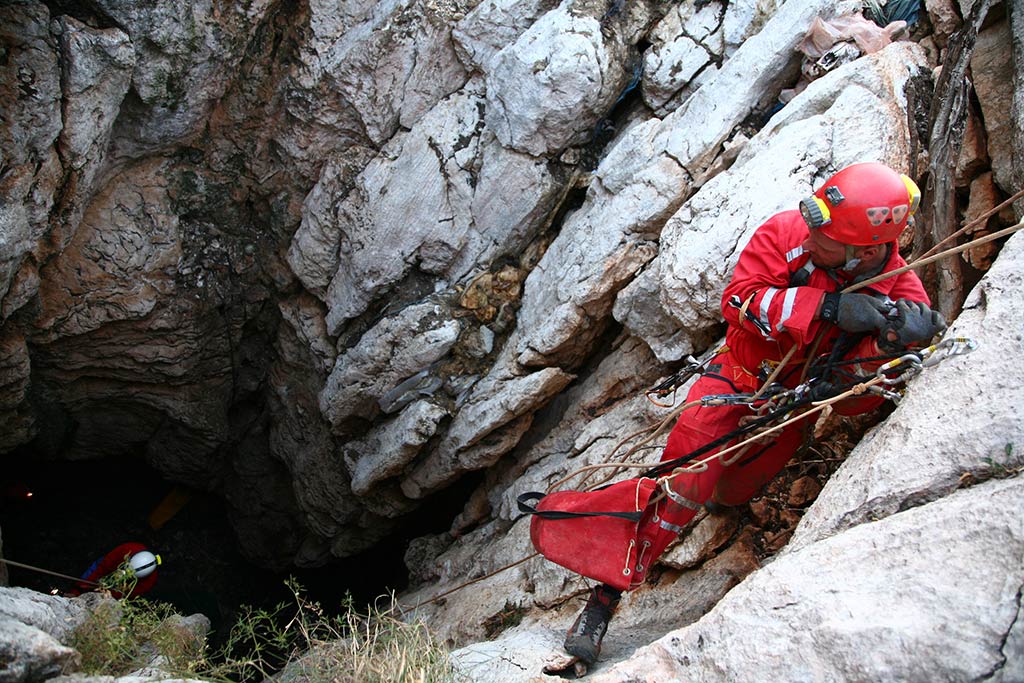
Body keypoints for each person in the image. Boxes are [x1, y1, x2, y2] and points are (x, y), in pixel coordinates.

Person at [563, 162, 947, 664]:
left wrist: (888, 343)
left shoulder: (901, 295)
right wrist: (827, 309)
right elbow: (740, 302)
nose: (811, 240)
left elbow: (854, 403)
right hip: (737, 378)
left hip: (794, 407)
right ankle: (604, 598)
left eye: (825, 238)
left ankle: (725, 501)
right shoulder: (788, 233)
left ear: (867, 251)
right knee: (685, 482)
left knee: (735, 489)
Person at [66, 542, 162, 598]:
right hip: (112, 565)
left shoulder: (148, 582)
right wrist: (78, 589)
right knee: (95, 570)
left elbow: (123, 594)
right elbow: (101, 568)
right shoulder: (126, 549)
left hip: (122, 585)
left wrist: (102, 594)